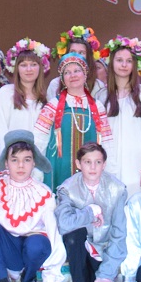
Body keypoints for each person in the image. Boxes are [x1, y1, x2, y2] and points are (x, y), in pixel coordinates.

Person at [0, 131, 65, 282]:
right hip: (8, 249)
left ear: (34, 163)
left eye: (27, 160)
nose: (21, 165)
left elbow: (54, 234)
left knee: (37, 244)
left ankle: (29, 278)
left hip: (33, 251)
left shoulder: (44, 193)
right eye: (14, 160)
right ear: (6, 163)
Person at [55, 143, 129, 282]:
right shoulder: (67, 188)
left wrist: (106, 274)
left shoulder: (117, 189)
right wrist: (90, 212)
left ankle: (90, 276)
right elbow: (63, 224)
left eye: (98, 162)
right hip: (77, 248)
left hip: (101, 250)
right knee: (74, 233)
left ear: (104, 164)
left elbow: (119, 234)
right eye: (87, 162)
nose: (93, 167)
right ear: (78, 164)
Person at [34, 53, 112, 189]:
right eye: (67, 72)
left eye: (77, 71)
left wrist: (110, 170)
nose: (73, 75)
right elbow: (38, 140)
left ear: (85, 74)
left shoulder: (98, 107)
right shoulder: (53, 105)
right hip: (58, 168)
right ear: (63, 79)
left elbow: (107, 142)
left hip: (91, 171)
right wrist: (36, 171)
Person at [102, 36, 141, 197]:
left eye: (128, 61)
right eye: (119, 60)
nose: (124, 65)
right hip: (109, 163)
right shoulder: (102, 95)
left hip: (136, 166)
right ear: (111, 63)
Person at [0, 38, 50, 162]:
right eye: (23, 65)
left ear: (41, 67)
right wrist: (3, 164)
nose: (29, 69)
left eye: (33, 64)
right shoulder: (6, 94)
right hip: (12, 164)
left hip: (37, 166)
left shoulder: (46, 99)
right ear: (16, 68)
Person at [47, 25, 105, 97]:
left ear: (88, 57)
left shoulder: (98, 87)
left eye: (81, 53)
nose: (77, 56)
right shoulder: (55, 85)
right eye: (73, 52)